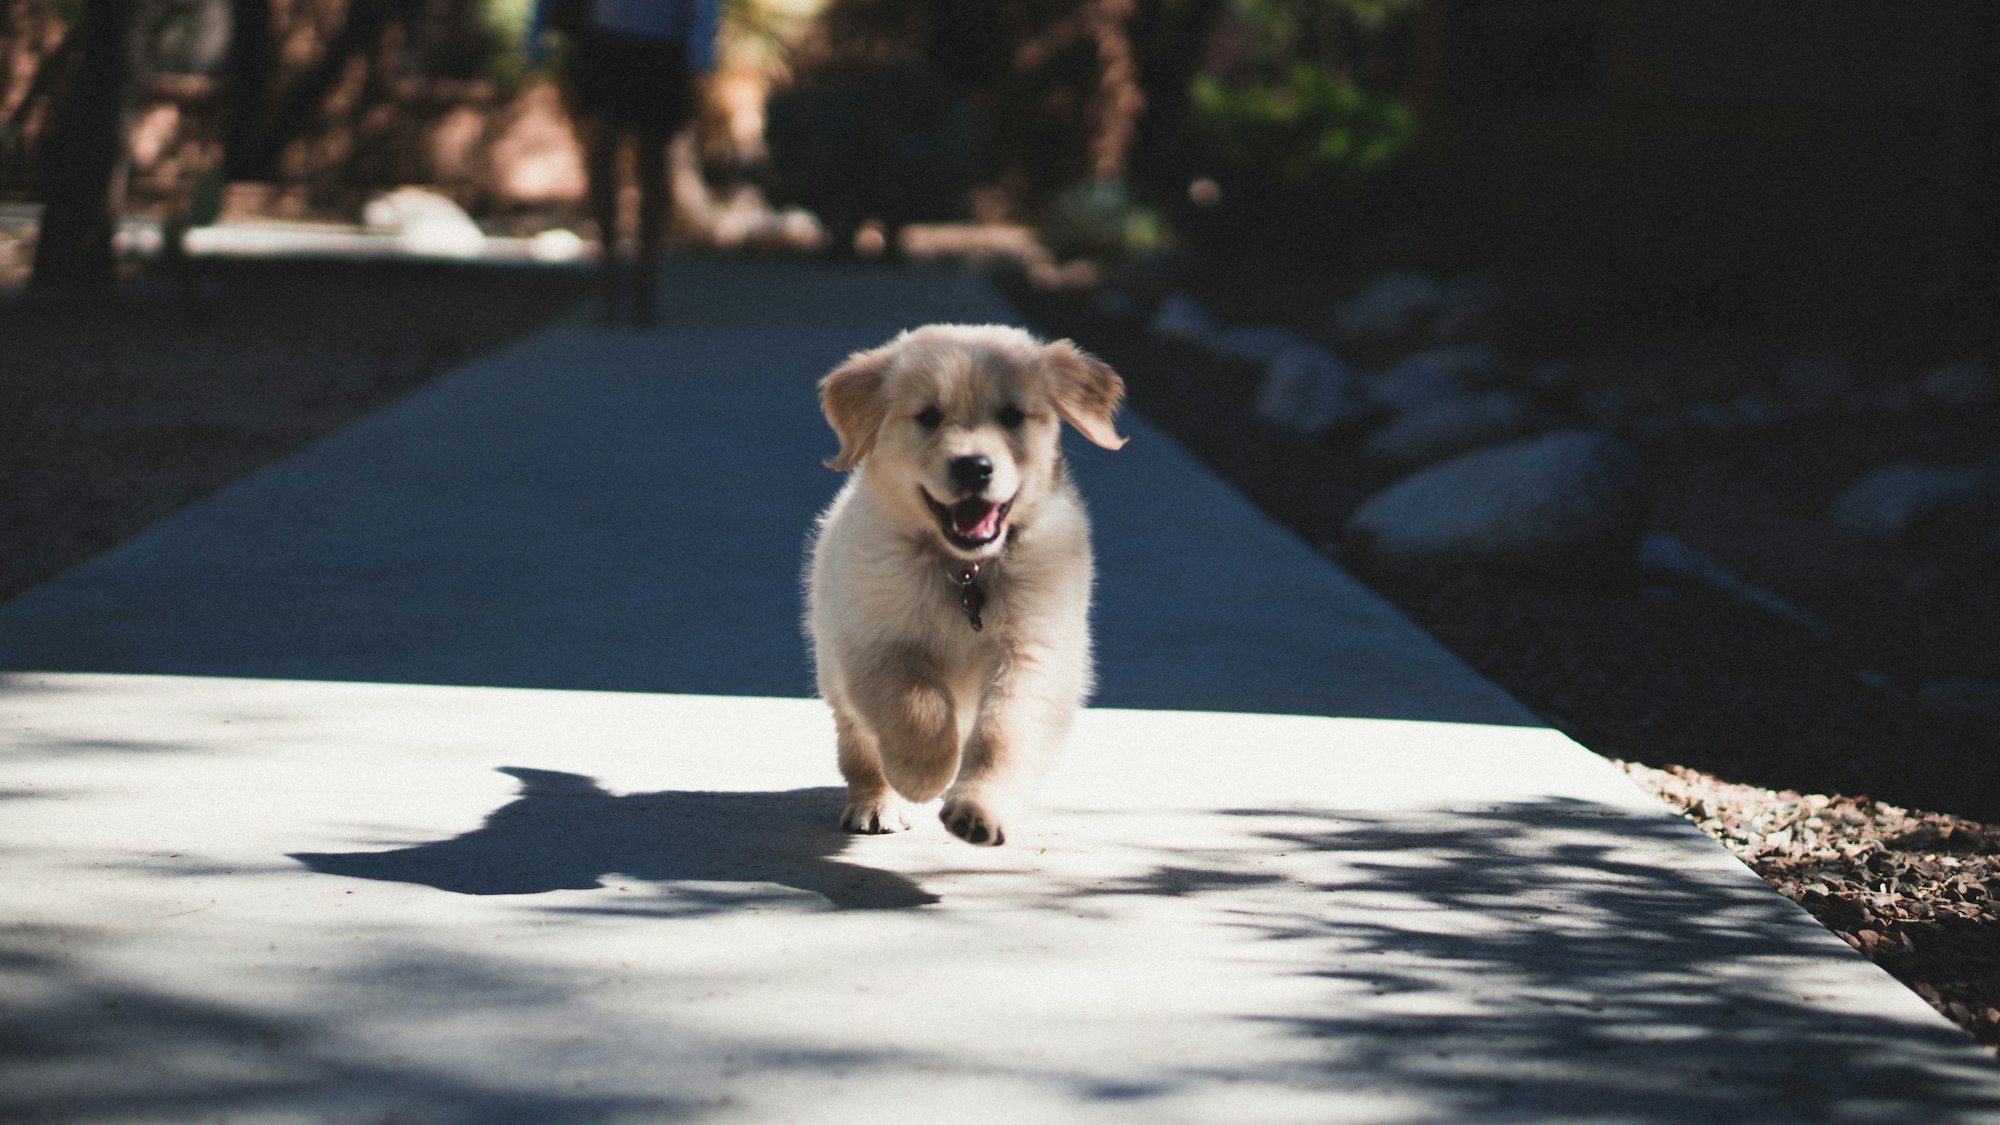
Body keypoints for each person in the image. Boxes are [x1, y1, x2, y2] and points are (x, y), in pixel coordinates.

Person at [530, 0, 720, 324]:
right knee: (600, 152)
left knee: (652, 162)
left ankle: (645, 278)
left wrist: (700, 51)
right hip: (604, 41)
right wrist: (537, 28)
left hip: (660, 44)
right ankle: (609, 273)